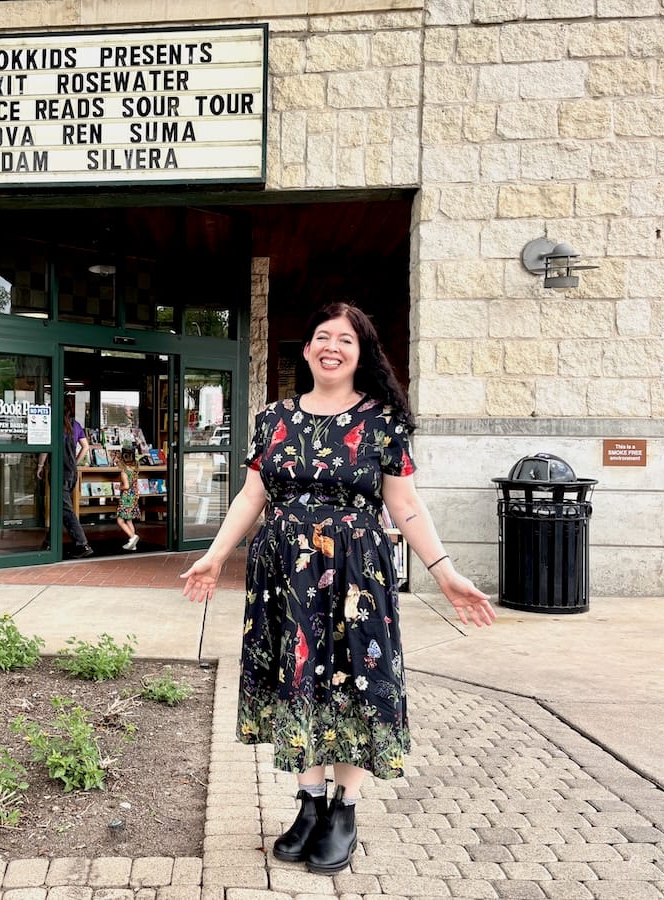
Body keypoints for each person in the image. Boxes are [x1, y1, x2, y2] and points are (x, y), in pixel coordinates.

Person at [180, 302, 496, 875]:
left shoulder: (383, 421)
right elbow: (252, 496)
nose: (332, 346)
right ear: (305, 351)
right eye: (321, 336)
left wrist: (445, 571)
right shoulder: (273, 419)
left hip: (358, 574)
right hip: (283, 575)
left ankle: (344, 809)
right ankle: (309, 804)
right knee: (296, 674)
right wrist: (213, 557)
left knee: (355, 675)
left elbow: (405, 505)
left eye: (345, 340)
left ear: (360, 353)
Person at [37, 400, 93, 559]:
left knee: (65, 509)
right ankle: (49, 541)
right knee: (60, 507)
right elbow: (86, 447)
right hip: (72, 472)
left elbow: (46, 449)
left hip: (59, 472)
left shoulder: (54, 425)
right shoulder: (75, 425)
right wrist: (75, 461)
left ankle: (82, 544)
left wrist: (40, 466)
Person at [115, 446, 141, 551]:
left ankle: (133, 537)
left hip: (126, 497)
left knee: (120, 520)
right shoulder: (134, 470)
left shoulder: (124, 472)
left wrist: (118, 487)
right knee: (129, 520)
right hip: (134, 496)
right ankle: (132, 544)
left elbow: (126, 486)